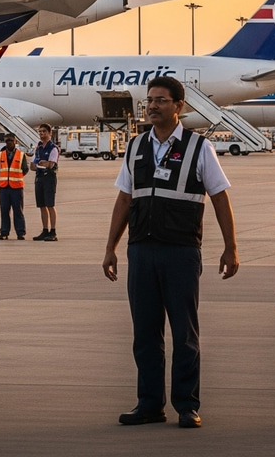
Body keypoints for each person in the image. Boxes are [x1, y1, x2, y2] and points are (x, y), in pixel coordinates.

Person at [102, 76, 239, 429]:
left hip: (180, 253)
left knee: (184, 333)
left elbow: (220, 196)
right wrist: (111, 248)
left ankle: (187, 405)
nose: (152, 106)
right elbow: (124, 198)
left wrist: (230, 247)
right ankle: (148, 404)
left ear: (179, 106)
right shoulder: (135, 147)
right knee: (145, 334)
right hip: (142, 252)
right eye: (149, 100)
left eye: (161, 100)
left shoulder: (198, 147)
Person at [0, 133, 29, 240]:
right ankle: (4, 232)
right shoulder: (1, 155)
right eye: (7, 141)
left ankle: (21, 232)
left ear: (15, 142)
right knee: (4, 211)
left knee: (18, 211)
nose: (9, 142)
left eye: (11, 140)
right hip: (4, 187)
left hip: (16, 187)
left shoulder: (21, 155)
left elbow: (25, 169)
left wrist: (15, 177)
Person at [30, 123, 59, 240]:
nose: (41, 134)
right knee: (42, 205)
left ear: (49, 133)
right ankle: (45, 230)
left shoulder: (53, 148)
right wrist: (42, 164)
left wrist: (44, 164)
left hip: (49, 178)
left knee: (50, 205)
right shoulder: (38, 147)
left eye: (44, 132)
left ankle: (53, 231)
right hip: (39, 178)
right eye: (40, 132)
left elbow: (52, 164)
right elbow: (32, 165)